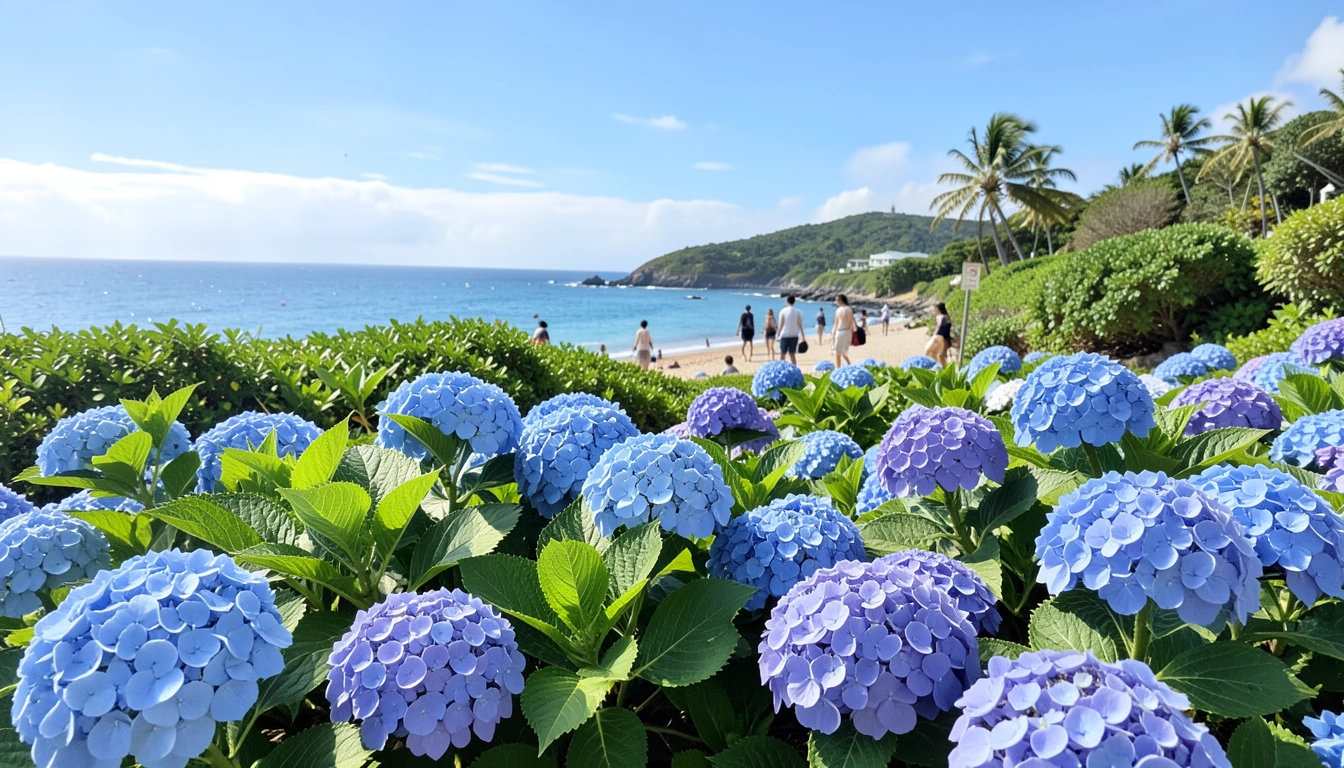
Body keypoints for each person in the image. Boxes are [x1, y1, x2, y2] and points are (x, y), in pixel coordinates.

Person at [776, 295, 805, 365]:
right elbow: (799, 324)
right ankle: (795, 368)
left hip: (784, 335)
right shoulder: (798, 311)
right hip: (794, 335)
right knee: (792, 354)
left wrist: (778, 334)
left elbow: (781, 324)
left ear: (787, 301)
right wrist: (802, 335)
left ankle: (781, 367)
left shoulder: (783, 311)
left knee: (782, 353)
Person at [925, 302, 953, 367]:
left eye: (935, 309)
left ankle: (937, 366)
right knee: (941, 356)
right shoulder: (947, 316)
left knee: (929, 351)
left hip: (940, 337)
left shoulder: (941, 317)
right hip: (946, 338)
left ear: (938, 309)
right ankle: (943, 368)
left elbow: (939, 327)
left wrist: (934, 336)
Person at [831, 294, 855, 367]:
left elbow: (836, 323)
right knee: (843, 351)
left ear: (840, 300)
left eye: (837, 300)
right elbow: (851, 323)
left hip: (841, 331)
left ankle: (838, 368)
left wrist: (833, 333)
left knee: (837, 352)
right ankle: (849, 364)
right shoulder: (849, 309)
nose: (836, 302)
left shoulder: (839, 310)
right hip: (848, 332)